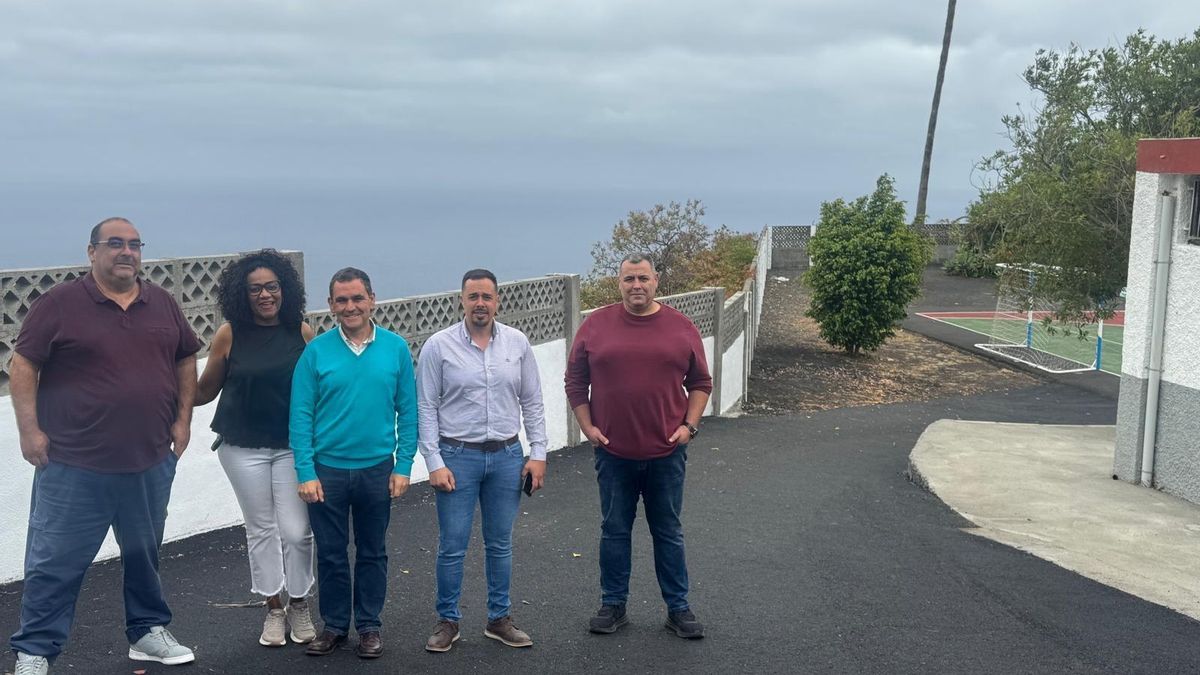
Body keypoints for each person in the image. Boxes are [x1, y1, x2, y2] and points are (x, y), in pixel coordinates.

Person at [9, 218, 200, 675]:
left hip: (149, 459)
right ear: (91, 252)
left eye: (134, 244)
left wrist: (183, 419)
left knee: (144, 554)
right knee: (55, 560)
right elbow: (22, 365)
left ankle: (148, 632)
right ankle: (35, 649)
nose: (126, 252)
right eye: (115, 244)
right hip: (75, 463)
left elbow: (186, 356)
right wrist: (28, 431)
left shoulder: (163, 303)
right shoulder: (59, 304)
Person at [564, 254, 712, 640]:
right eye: (629, 278)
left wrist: (689, 428)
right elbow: (575, 381)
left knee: (668, 531)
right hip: (613, 454)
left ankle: (678, 609)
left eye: (643, 278)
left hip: (667, 453)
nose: (636, 285)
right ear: (619, 282)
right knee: (614, 531)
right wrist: (588, 427)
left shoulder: (681, 327)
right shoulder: (595, 325)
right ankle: (613, 605)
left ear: (656, 281)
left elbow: (701, 383)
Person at [417, 269, 548, 653]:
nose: (480, 304)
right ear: (461, 300)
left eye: (486, 297)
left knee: (500, 544)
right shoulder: (439, 346)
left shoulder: (517, 343)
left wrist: (537, 453)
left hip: (507, 456)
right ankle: (448, 621)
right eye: (472, 296)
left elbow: (533, 401)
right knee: (453, 545)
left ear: (497, 301)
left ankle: (499, 618)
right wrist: (434, 461)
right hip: (457, 457)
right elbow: (426, 406)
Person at [289, 267, 417, 660]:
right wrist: (306, 471)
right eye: (341, 300)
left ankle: (369, 626)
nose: (350, 307)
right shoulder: (316, 351)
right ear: (330, 305)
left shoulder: (395, 348)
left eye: (357, 298)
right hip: (327, 471)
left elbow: (408, 411)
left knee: (372, 551)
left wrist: (404, 465)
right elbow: (300, 415)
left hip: (377, 469)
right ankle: (333, 626)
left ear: (372, 300)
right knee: (329, 552)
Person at [194, 249, 317, 648]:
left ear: (284, 289)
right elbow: (206, 389)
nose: (265, 295)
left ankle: (299, 603)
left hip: (290, 447)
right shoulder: (229, 333)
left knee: (297, 532)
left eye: (271, 287)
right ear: (241, 294)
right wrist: (165, 386)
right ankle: (274, 609)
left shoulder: (301, 331)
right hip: (241, 447)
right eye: (255, 289)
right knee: (261, 530)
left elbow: (319, 391)